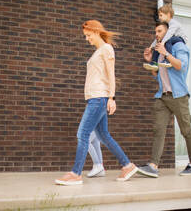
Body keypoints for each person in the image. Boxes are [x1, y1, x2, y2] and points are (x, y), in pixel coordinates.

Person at [55, 20, 138, 186]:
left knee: (82, 134)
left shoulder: (106, 49)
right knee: (103, 135)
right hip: (95, 97)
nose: (87, 39)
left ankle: (76, 173)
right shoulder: (99, 51)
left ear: (96, 31)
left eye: (88, 35)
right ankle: (127, 165)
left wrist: (112, 98)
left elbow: (111, 75)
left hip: (99, 97)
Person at [139, 21, 191, 178]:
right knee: (159, 130)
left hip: (178, 96)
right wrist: (150, 60)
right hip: (163, 96)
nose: (156, 35)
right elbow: (157, 73)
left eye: (159, 31)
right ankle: (153, 165)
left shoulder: (178, 46)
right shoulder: (159, 51)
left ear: (168, 32)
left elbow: (181, 66)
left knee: (186, 130)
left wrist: (165, 53)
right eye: (155, 32)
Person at [143, 3, 188, 71]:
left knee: (167, 41)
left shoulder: (173, 23)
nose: (159, 17)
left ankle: (168, 61)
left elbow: (169, 34)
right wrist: (151, 47)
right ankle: (154, 63)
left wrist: (163, 42)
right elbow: (159, 39)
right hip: (173, 37)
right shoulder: (167, 25)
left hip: (181, 38)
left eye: (161, 15)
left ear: (168, 15)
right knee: (159, 43)